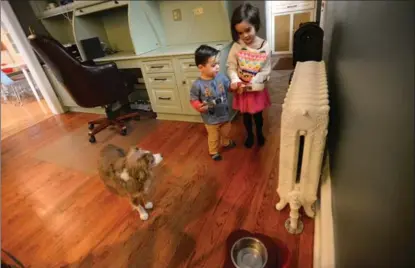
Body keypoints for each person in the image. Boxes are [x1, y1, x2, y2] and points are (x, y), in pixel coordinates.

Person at [227, 2, 272, 148]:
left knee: (258, 115)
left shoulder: (264, 46)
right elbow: (231, 66)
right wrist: (234, 79)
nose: (245, 36)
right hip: (242, 89)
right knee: (245, 115)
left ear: (255, 25)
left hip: (256, 88)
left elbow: (266, 70)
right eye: (240, 32)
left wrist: (254, 80)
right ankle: (250, 134)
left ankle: (259, 132)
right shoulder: (236, 46)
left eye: (248, 30)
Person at [190, 45, 236, 161]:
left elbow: (229, 88)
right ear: (201, 67)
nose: (217, 67)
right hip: (210, 118)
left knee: (226, 131)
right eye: (213, 65)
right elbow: (193, 99)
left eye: (218, 63)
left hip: (224, 114)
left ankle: (225, 142)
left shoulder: (221, 77)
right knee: (213, 136)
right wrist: (198, 106)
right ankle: (213, 151)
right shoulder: (197, 85)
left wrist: (234, 86)